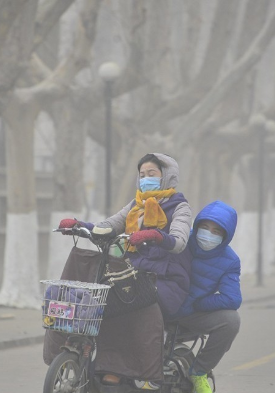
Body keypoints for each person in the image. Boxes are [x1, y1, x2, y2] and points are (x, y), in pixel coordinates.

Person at [57, 152, 193, 389]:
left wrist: (155, 234)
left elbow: (179, 241)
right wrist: (80, 225)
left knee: (132, 304)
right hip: (135, 274)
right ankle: (112, 367)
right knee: (108, 301)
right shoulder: (135, 205)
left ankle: (137, 366)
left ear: (167, 176)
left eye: (152, 174)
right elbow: (108, 226)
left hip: (167, 279)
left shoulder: (179, 206)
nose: (145, 179)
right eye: (142, 175)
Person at [169, 200, 242, 393]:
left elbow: (232, 299)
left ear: (226, 236)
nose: (208, 234)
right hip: (161, 306)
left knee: (230, 321)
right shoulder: (181, 241)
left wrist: (199, 304)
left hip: (191, 313)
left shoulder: (230, 261)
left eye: (216, 232)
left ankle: (199, 372)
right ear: (197, 225)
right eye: (205, 227)